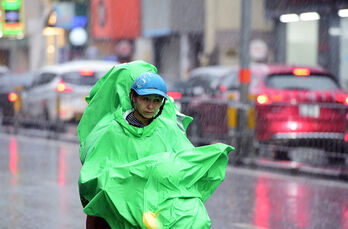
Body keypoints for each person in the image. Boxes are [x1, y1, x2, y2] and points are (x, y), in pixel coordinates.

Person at [78, 60, 234, 229]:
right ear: (133, 97)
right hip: (121, 211)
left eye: (156, 100)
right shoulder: (112, 131)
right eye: (145, 99)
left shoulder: (167, 128)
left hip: (158, 206)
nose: (151, 106)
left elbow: (183, 163)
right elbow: (94, 176)